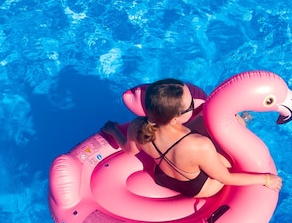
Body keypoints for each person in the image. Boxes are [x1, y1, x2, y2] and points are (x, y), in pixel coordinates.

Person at [100, 78, 282, 198]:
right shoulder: (199, 146)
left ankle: (239, 120)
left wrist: (115, 132)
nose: (196, 104)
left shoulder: (137, 126)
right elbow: (226, 178)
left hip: (162, 176)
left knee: (205, 118)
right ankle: (242, 120)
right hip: (198, 188)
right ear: (174, 118)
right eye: (191, 105)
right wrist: (265, 179)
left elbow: (129, 150)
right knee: (231, 132)